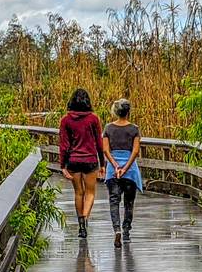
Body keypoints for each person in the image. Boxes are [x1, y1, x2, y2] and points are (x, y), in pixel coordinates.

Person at [57, 88, 104, 238]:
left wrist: (62, 165)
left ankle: (81, 224)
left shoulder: (66, 120)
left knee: (78, 193)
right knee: (90, 193)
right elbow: (99, 142)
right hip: (90, 160)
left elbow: (64, 145)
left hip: (74, 161)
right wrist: (102, 163)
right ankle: (85, 219)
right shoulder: (93, 119)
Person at [102, 98, 144, 247]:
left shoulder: (108, 128)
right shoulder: (134, 129)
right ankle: (126, 231)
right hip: (130, 170)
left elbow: (105, 150)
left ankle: (116, 230)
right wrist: (126, 168)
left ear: (116, 111)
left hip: (113, 171)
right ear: (128, 112)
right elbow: (136, 150)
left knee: (114, 201)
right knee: (129, 202)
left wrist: (115, 166)